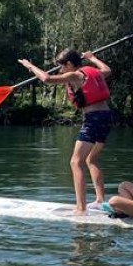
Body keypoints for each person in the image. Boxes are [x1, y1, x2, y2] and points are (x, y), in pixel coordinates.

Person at [17, 48, 113, 214]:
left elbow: (47, 78)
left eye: (61, 66)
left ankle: (81, 208)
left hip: (93, 119)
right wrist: (93, 58)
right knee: (91, 159)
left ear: (69, 64)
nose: (60, 71)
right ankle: (99, 200)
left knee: (75, 162)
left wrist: (30, 66)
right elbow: (107, 70)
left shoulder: (75, 75)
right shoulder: (93, 73)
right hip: (106, 116)